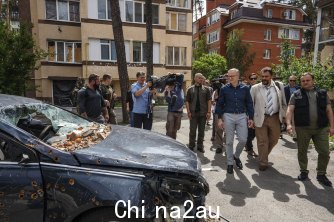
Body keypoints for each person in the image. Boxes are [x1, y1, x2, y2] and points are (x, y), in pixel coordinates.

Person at [286, 73, 334, 187]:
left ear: (313, 81)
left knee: (324, 152)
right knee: (302, 151)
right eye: (303, 81)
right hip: (303, 129)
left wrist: (332, 126)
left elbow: (329, 111)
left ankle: (321, 174)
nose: (305, 82)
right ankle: (303, 171)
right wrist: (288, 124)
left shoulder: (323, 94)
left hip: (321, 128)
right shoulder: (296, 95)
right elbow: (289, 110)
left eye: (308, 80)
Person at [216, 68, 254, 174]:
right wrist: (219, 119)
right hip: (228, 116)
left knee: (243, 139)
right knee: (229, 141)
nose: (230, 78)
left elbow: (249, 103)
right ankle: (229, 163)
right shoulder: (224, 89)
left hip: (242, 116)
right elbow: (220, 104)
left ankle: (236, 156)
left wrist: (251, 118)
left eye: (232, 76)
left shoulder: (245, 88)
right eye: (228, 76)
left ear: (238, 76)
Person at [250, 67, 287, 171]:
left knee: (274, 139)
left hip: (275, 117)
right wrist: (250, 119)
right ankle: (263, 162)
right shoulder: (255, 88)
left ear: (271, 76)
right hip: (260, 117)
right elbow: (250, 105)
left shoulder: (279, 86)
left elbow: (284, 103)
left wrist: (284, 116)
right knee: (262, 141)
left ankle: (263, 155)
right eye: (262, 76)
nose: (264, 78)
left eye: (266, 76)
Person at [186, 73, 212, 153]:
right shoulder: (190, 89)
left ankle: (200, 146)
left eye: (202, 78)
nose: (201, 79)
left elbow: (209, 101)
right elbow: (187, 101)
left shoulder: (206, 89)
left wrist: (209, 112)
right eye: (199, 78)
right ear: (195, 78)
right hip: (193, 114)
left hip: (203, 114)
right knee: (192, 131)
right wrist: (188, 112)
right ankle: (191, 146)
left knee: (201, 131)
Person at [164, 73, 184, 139]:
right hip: (171, 112)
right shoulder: (167, 90)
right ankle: (168, 144)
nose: (171, 86)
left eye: (172, 84)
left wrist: (173, 74)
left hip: (179, 112)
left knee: (175, 129)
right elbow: (169, 101)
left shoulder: (178, 86)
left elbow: (181, 76)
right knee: (170, 129)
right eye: (170, 85)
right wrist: (168, 92)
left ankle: (174, 143)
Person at [245, 73, 258, 157]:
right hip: (249, 114)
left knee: (257, 133)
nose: (253, 80)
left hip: (259, 115)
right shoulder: (246, 89)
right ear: (249, 80)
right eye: (251, 78)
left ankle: (248, 145)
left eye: (255, 78)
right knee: (250, 133)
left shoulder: (260, 88)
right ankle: (249, 148)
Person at [284, 75, 300, 141]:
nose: (292, 82)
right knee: (286, 120)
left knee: (294, 121)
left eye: (294, 80)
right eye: (291, 80)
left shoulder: (299, 88)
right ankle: (284, 130)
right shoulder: (285, 88)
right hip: (287, 106)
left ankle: (295, 135)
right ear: (288, 81)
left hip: (296, 107)